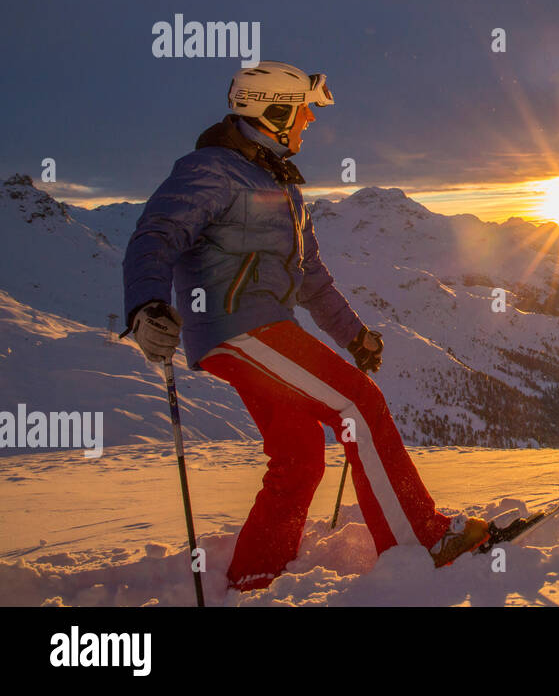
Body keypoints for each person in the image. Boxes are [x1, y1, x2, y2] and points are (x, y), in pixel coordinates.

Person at [122, 61, 488, 591]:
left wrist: (354, 336)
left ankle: (256, 577)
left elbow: (312, 277)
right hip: (237, 327)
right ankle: (421, 541)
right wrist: (146, 305)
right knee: (359, 404)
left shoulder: (280, 185)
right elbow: (155, 234)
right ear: (272, 111)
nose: (311, 121)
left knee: (299, 458)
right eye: (303, 110)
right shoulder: (211, 170)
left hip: (259, 329)